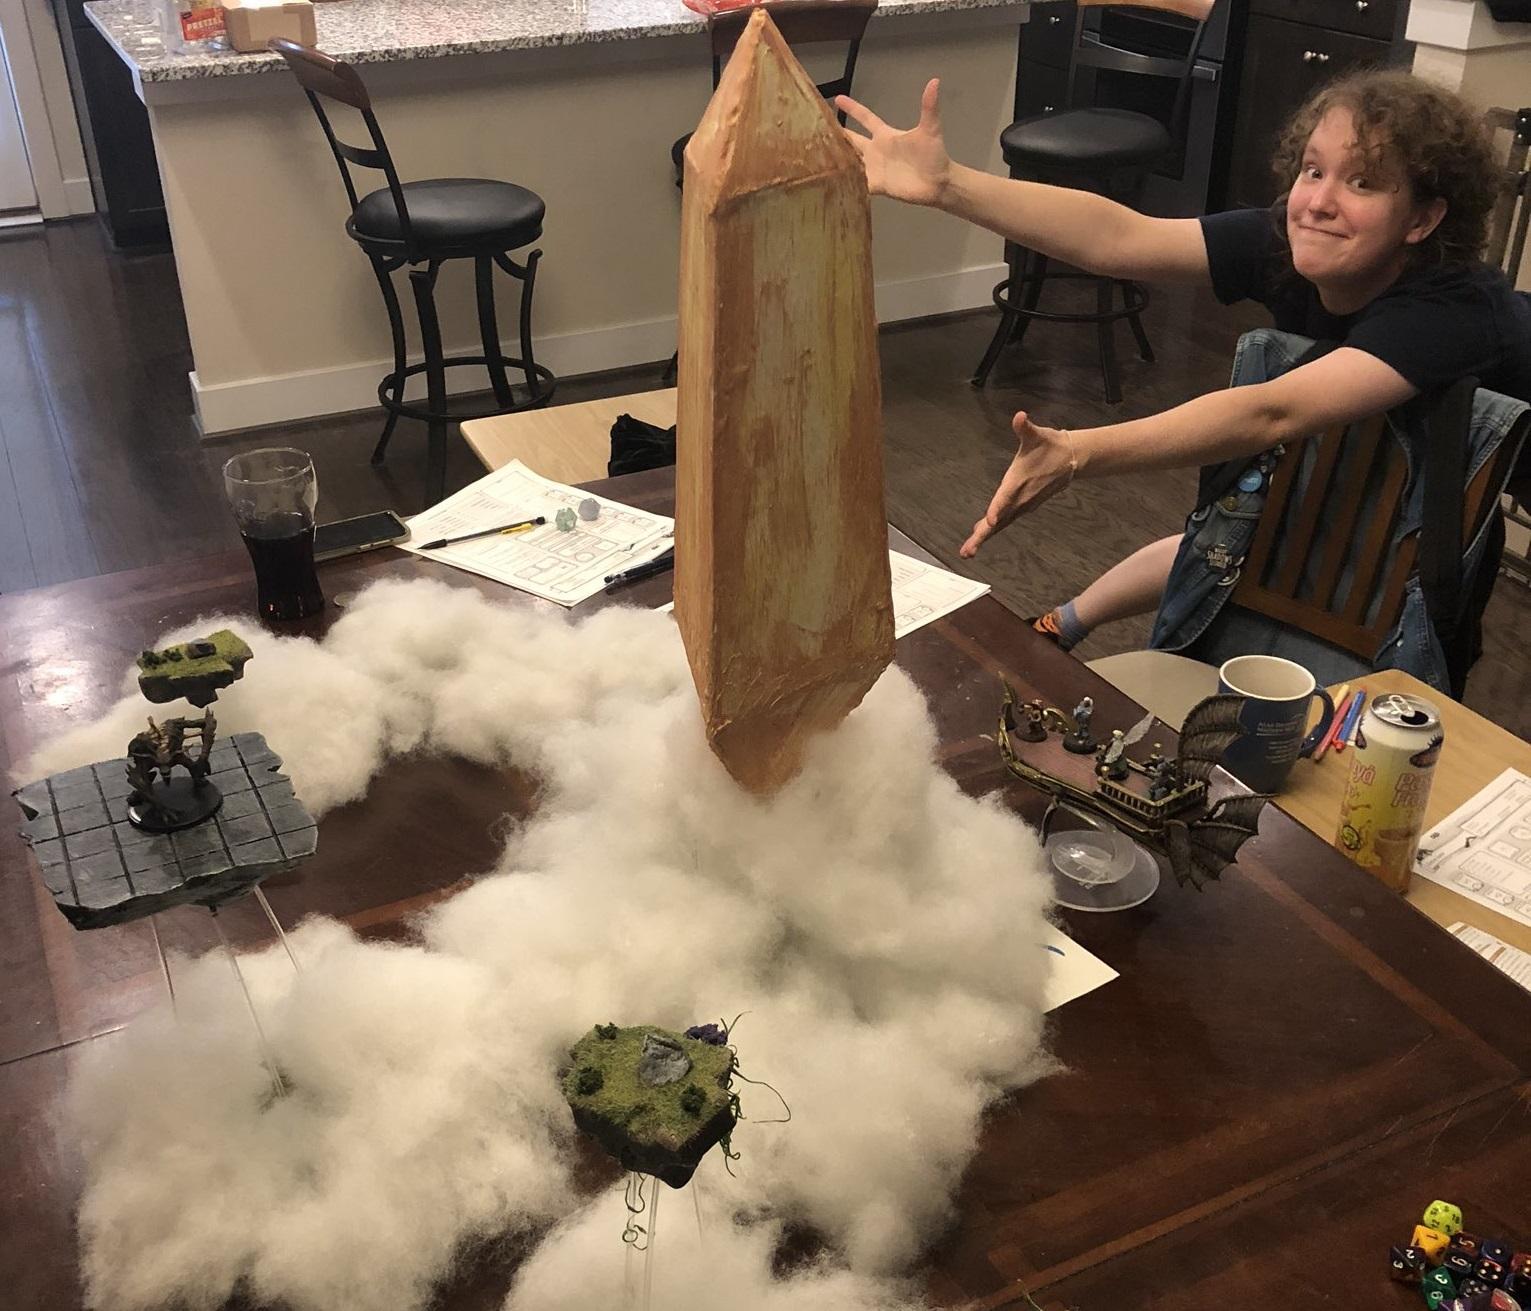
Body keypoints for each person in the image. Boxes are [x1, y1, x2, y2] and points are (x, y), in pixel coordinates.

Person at [836, 70, 1531, 651]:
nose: (1316, 202)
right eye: (1313, 170)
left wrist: (1077, 452)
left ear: (1422, 220)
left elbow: (1270, 410)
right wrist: (948, 186)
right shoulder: (1288, 241)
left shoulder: (1455, 309)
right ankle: (1062, 623)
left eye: (1362, 183)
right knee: (1263, 530)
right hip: (1419, 454)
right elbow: (1120, 237)